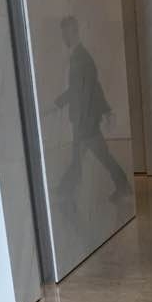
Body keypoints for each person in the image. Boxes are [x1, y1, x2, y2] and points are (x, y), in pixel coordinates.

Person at [56, 16, 131, 202]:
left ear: (75, 32)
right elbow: (94, 87)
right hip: (84, 118)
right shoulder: (80, 56)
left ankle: (66, 189)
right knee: (81, 156)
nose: (64, 38)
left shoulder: (81, 58)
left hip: (85, 120)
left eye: (66, 33)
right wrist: (105, 110)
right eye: (63, 34)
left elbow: (83, 89)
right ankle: (66, 188)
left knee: (99, 156)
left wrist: (57, 103)